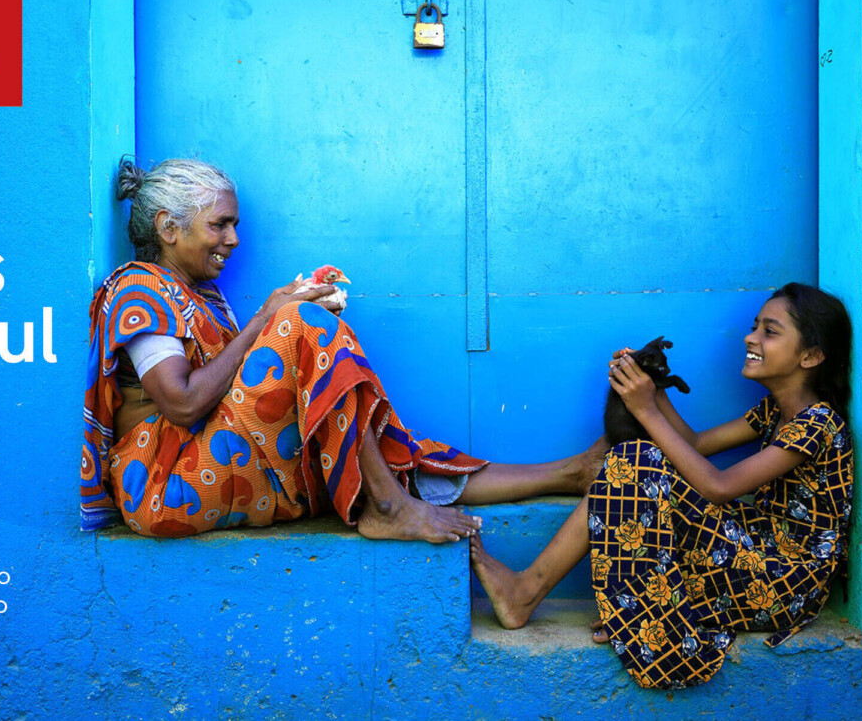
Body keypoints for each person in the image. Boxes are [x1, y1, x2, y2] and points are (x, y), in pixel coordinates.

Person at [81, 158, 600, 540]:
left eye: (234, 224)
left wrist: (295, 334)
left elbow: (235, 386)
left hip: (229, 464)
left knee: (378, 442)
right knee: (299, 326)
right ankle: (389, 506)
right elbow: (183, 403)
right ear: (168, 228)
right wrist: (274, 320)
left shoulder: (205, 297)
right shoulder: (139, 288)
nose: (234, 239)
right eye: (220, 224)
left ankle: (567, 473)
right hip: (166, 483)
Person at [469, 284, 854, 689]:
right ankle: (623, 610)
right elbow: (696, 445)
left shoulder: (818, 423)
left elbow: (719, 486)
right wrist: (651, 389)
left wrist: (645, 410)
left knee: (636, 458)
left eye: (769, 332)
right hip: (756, 555)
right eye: (754, 326)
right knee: (631, 460)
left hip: (786, 583)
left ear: (810, 356)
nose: (750, 337)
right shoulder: (774, 410)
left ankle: (533, 593)